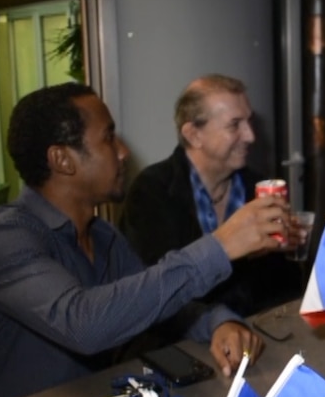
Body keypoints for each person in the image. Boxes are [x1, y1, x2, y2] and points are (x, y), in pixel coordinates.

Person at [0, 83, 290, 397]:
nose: (124, 151)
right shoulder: (5, 237)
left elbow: (154, 302)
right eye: (108, 137)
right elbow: (85, 325)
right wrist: (220, 246)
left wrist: (217, 323)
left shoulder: (101, 237)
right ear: (62, 160)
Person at [120, 75, 302, 325]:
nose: (250, 136)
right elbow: (156, 293)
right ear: (194, 135)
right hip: (186, 347)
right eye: (234, 125)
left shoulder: (257, 187)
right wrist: (241, 250)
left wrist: (293, 248)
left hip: (260, 340)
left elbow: (285, 290)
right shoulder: (152, 191)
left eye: (248, 122)